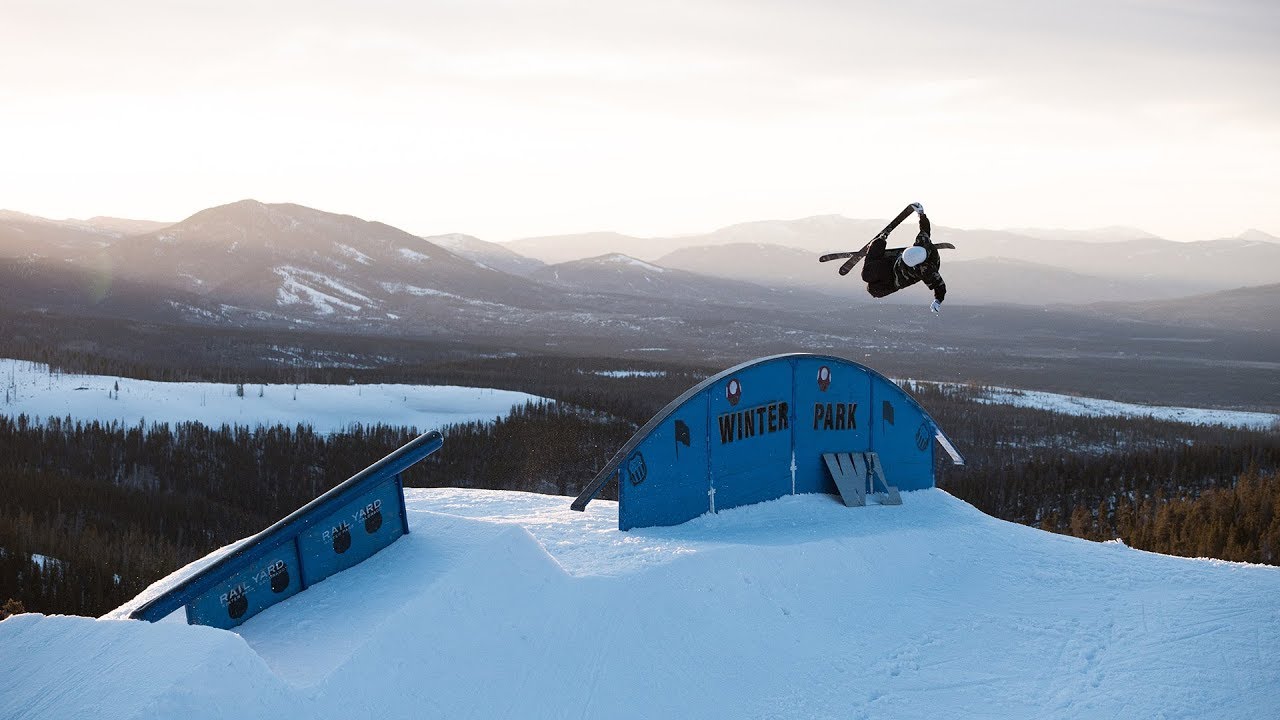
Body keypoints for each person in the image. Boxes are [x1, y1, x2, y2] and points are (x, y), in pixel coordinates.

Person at [860, 202, 946, 312]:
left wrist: (938, 301)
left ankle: (878, 250)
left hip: (896, 281)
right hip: (892, 263)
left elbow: (940, 286)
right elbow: (925, 229)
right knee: (866, 275)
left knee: (873, 291)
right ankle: (880, 241)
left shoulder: (927, 270)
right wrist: (921, 214)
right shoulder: (922, 241)